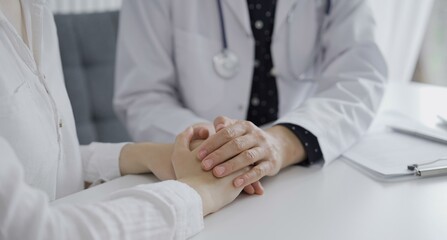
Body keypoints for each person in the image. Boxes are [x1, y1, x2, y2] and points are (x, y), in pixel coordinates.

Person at [0, 0, 251, 239]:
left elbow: (40, 163)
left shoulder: (34, 8)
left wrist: (142, 155)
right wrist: (198, 193)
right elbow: (37, 232)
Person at [114, 0, 388, 194]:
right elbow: (143, 95)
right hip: (200, 175)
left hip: (300, 168)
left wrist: (282, 142)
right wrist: (221, 147)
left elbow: (359, 77)